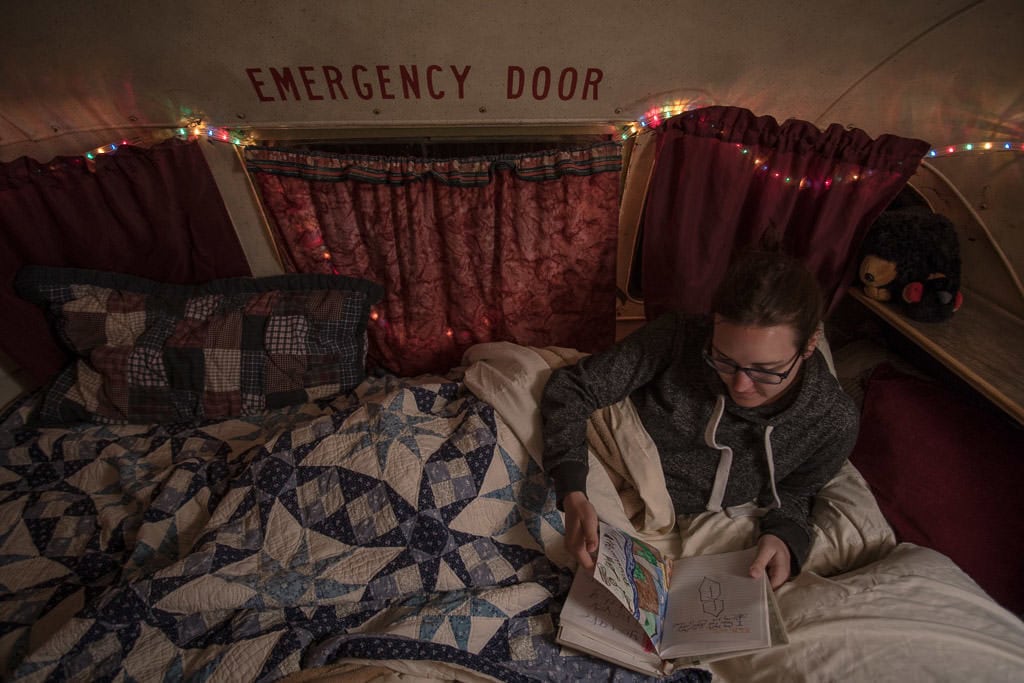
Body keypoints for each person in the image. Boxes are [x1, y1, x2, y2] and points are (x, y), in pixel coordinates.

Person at [540, 251, 859, 589]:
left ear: (810, 345)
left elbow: (799, 490)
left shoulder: (832, 421)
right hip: (615, 460)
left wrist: (784, 537)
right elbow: (574, 388)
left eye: (765, 371)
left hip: (678, 519)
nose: (740, 385)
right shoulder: (680, 338)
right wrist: (573, 489)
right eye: (723, 359)